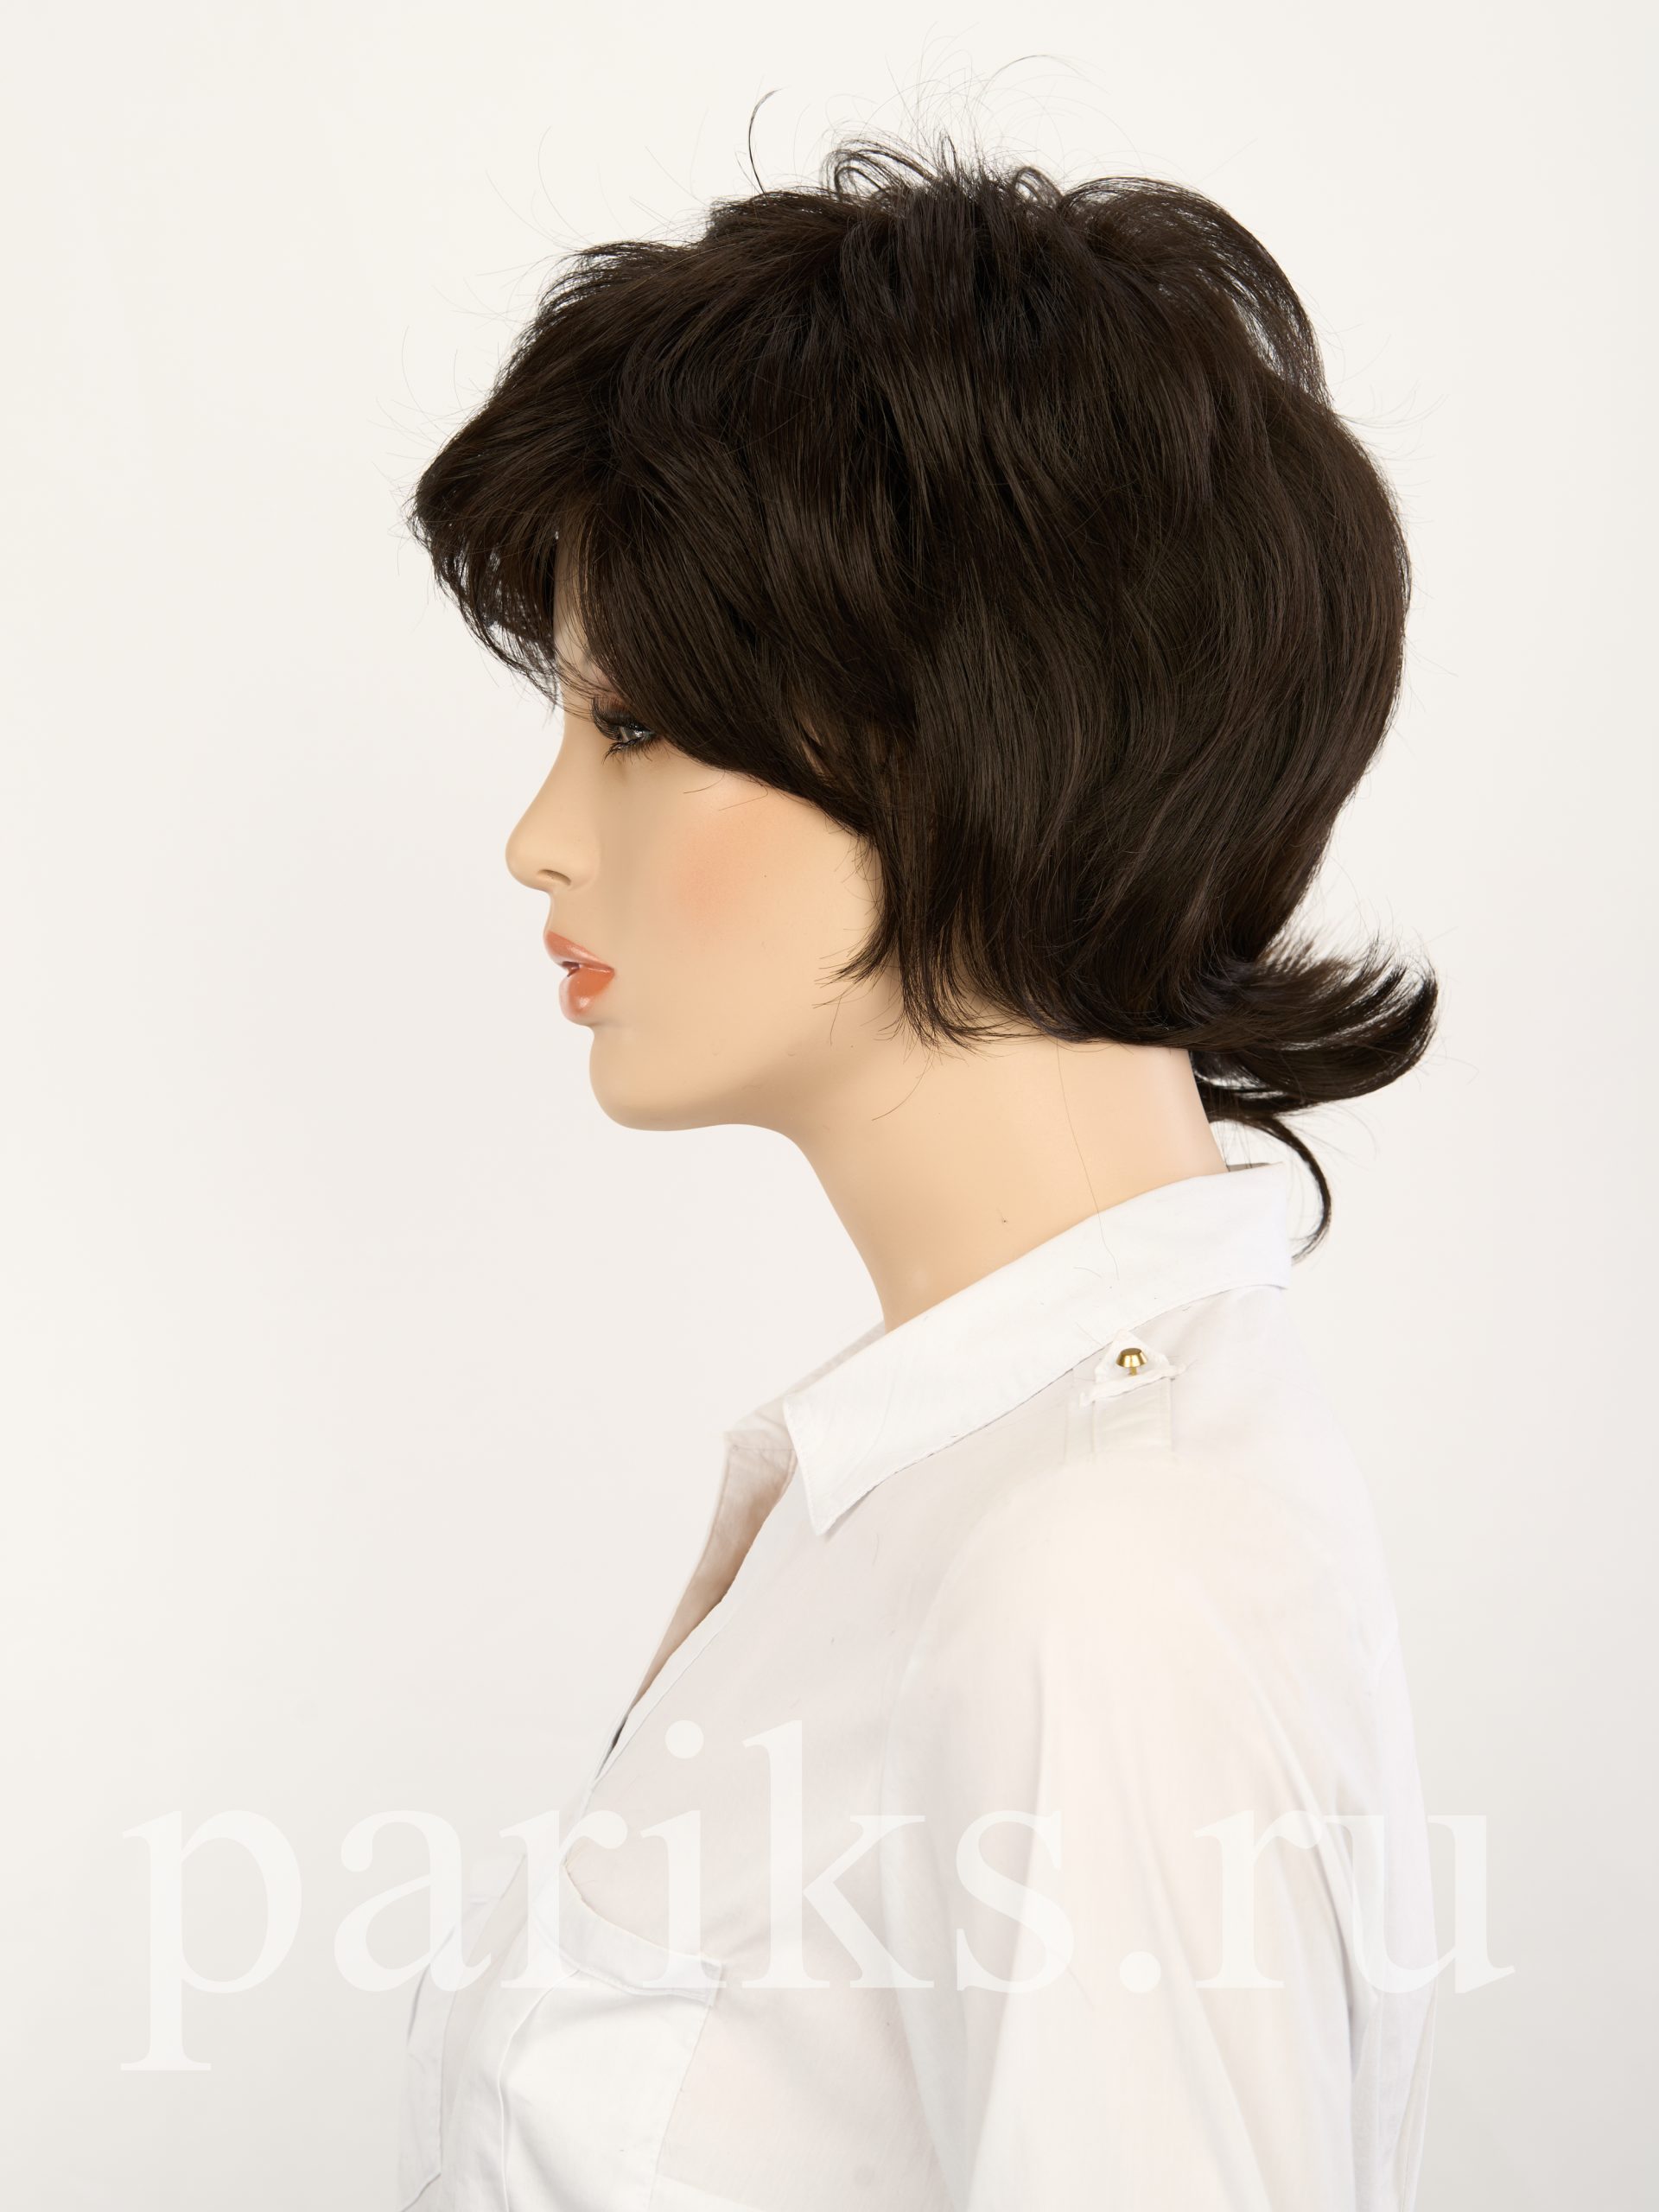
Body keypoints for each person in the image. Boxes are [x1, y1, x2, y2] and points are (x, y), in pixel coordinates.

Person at [394, 128, 1440, 2211]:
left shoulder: (1098, 1575)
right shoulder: (961, 1492)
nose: (537, 835)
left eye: (630, 725)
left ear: (954, 741)